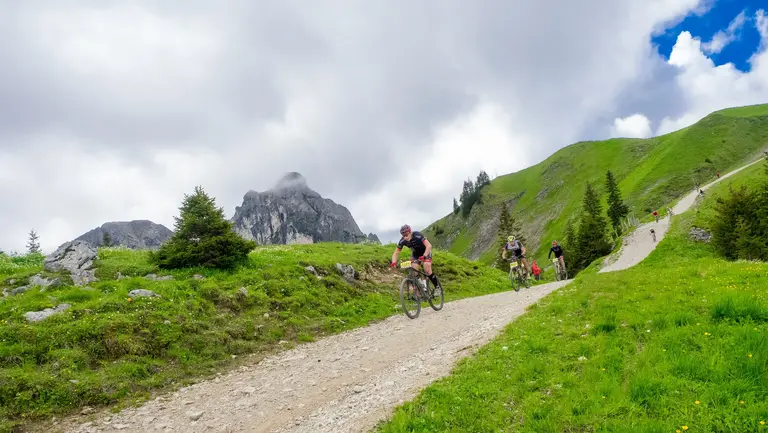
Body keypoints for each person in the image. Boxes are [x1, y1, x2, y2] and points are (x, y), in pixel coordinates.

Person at [390, 224, 439, 290]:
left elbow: (429, 246)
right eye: (403, 236)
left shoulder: (417, 235)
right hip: (416, 254)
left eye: (406, 235)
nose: (405, 237)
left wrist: (424, 256)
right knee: (414, 269)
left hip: (426, 251)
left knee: (427, 268)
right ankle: (422, 287)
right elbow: (396, 253)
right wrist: (394, 262)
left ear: (410, 232)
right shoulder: (402, 241)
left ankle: (437, 287)